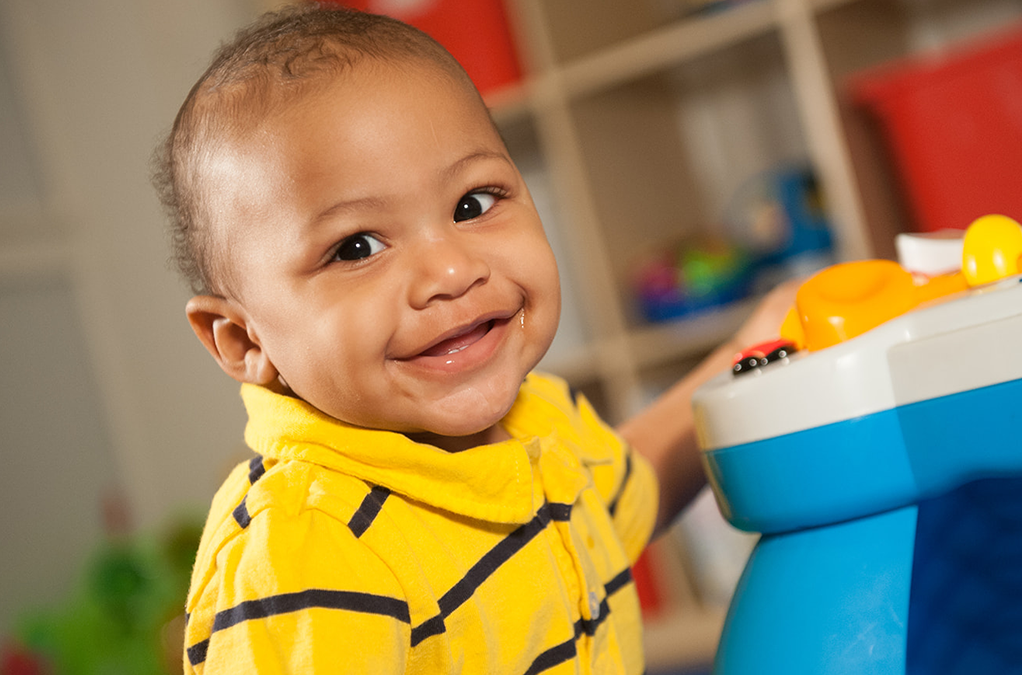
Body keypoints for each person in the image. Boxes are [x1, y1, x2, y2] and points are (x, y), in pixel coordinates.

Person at [153, 5, 797, 673]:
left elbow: (633, 488)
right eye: (357, 247)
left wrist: (753, 348)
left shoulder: (538, 420)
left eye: (473, 203)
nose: (453, 271)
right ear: (242, 340)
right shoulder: (306, 551)